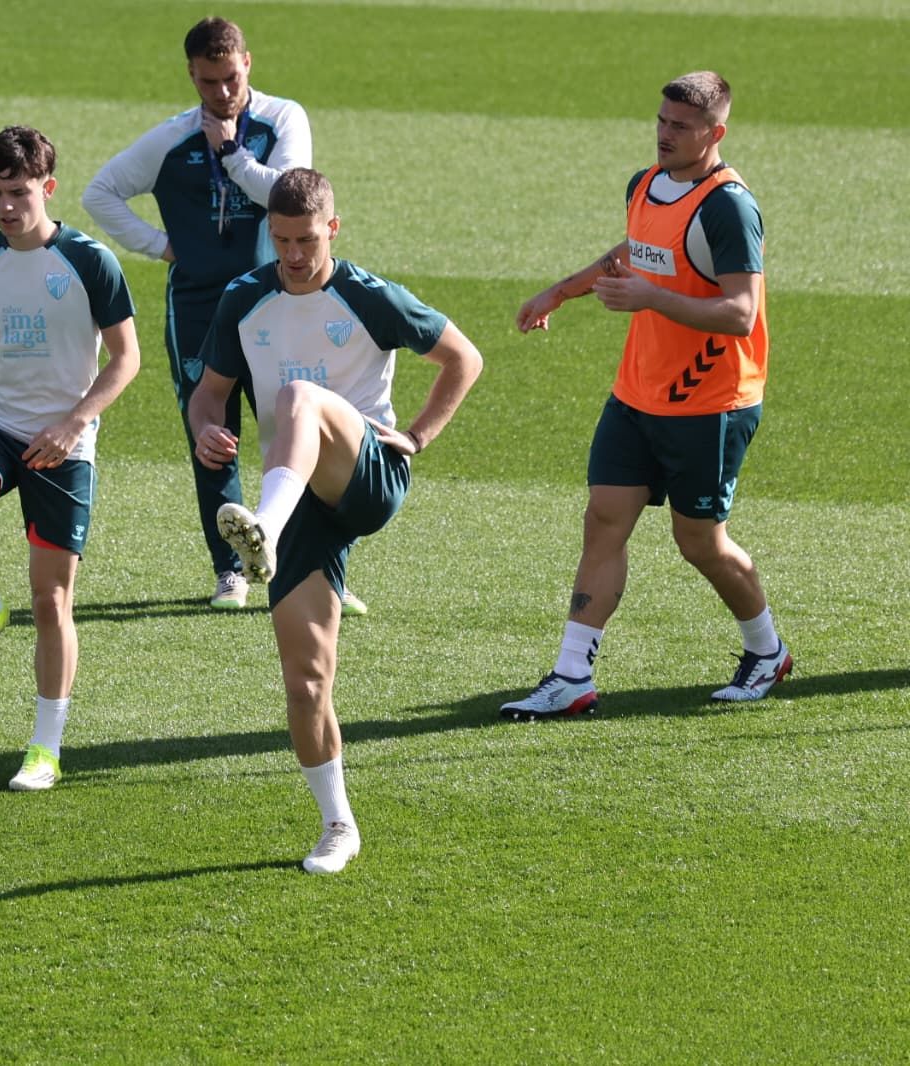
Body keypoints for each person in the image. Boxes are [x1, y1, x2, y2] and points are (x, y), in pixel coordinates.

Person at [190, 168, 482, 873]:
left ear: (333, 229)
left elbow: (463, 359)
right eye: (282, 240)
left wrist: (417, 436)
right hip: (297, 500)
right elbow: (209, 393)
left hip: (366, 478)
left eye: (308, 240)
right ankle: (338, 825)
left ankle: (263, 527)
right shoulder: (243, 299)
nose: (294, 255)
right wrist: (205, 429)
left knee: (299, 396)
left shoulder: (367, 295)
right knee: (306, 682)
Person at [501, 71, 791, 722]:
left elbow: (742, 312)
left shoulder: (729, 207)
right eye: (661, 120)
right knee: (604, 519)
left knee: (700, 542)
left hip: (711, 403)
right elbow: (635, 248)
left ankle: (766, 650)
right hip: (638, 394)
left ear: (714, 133)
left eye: (680, 126)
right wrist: (560, 292)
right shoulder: (645, 183)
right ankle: (572, 675)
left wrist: (651, 298)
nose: (664, 134)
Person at [86, 17, 370, 616]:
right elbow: (100, 193)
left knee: (298, 433)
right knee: (210, 435)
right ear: (191, 74)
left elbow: (286, 194)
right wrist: (164, 247)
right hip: (198, 305)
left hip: (277, 303)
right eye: (208, 81)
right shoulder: (171, 138)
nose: (221, 92)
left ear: (248, 64)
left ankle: (320, 569)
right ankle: (231, 569)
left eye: (231, 78)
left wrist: (231, 154)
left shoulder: (282, 119)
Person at [0, 126, 140, 791]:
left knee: (51, 602)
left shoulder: (90, 261)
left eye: (18, 192)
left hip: (64, 442)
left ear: (47, 187)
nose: (6, 206)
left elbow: (127, 358)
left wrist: (74, 424)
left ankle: (45, 749)